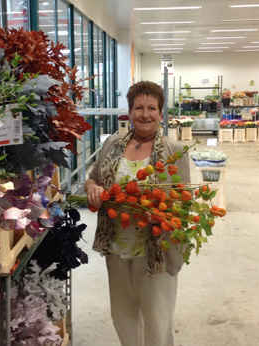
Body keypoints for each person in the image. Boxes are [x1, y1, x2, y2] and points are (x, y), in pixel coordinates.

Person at [85, 81, 191, 346]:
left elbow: (184, 203)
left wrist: (163, 214)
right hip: (117, 248)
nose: (145, 114)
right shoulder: (112, 144)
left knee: (157, 322)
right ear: (130, 111)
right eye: (139, 107)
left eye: (152, 108)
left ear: (161, 112)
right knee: (123, 318)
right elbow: (92, 178)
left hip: (155, 251)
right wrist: (94, 189)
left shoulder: (173, 151)